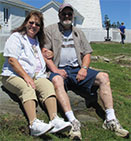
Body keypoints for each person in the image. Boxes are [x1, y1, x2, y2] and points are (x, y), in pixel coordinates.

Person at [43, 4, 129, 139]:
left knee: (104, 77)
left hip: (77, 68)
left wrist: (83, 69)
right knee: (56, 80)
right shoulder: (50, 30)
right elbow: (44, 53)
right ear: (59, 15)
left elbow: (87, 53)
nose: (67, 16)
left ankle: (110, 120)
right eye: (64, 14)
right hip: (59, 69)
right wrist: (55, 70)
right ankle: (72, 122)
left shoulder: (79, 32)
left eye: (69, 14)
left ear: (73, 16)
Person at [1, 10, 72, 137]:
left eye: (37, 24)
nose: (34, 26)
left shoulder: (36, 41)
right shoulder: (16, 37)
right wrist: (26, 77)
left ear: (40, 28)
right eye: (31, 22)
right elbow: (12, 60)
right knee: (27, 88)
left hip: (35, 76)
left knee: (48, 86)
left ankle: (54, 119)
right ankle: (33, 124)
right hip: (12, 75)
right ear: (25, 23)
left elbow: (41, 55)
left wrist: (51, 54)